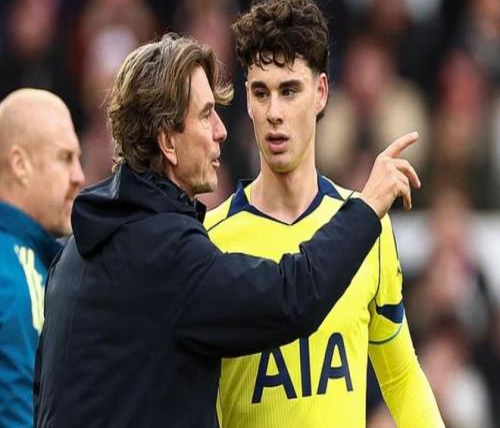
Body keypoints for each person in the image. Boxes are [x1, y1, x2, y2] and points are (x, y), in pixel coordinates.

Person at [35, 33, 419, 428]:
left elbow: (44, 398)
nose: (221, 130)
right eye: (206, 115)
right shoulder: (168, 253)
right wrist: (367, 209)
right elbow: (292, 298)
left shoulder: (72, 255)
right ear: (167, 142)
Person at [204, 0, 444, 427]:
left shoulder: (368, 227)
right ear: (247, 101)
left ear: (320, 93)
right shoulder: (210, 240)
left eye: (289, 90)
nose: (274, 112)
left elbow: (401, 377)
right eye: (261, 93)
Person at [0, 88, 85, 427]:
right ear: (20, 164)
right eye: (65, 157)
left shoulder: (35, 262)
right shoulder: (15, 274)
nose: (79, 176)